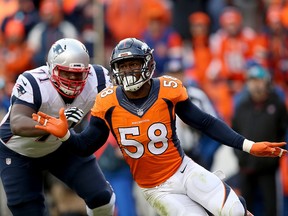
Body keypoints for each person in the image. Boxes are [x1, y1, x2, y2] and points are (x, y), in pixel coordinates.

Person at [33, 37, 287, 216]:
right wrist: (66, 135)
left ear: (147, 64)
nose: (129, 71)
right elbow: (87, 145)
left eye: (133, 63)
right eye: (123, 66)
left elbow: (206, 122)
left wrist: (249, 146)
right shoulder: (106, 102)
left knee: (233, 210)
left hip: (184, 170)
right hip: (156, 188)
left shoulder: (168, 89)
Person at [0, 38, 115, 216]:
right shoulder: (34, 81)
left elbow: (107, 119)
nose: (73, 80)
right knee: (29, 210)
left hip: (60, 144)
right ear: (51, 69)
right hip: (18, 152)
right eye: (66, 73)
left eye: (79, 74)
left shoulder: (98, 79)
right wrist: (53, 125)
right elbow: (17, 123)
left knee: (102, 197)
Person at [232, 64, 287, 216]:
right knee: (245, 208)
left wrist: (275, 158)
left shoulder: (277, 104)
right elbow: (234, 132)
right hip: (246, 167)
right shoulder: (241, 106)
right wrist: (240, 156)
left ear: (266, 81)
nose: (256, 84)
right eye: (252, 80)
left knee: (272, 208)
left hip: (268, 168)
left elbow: (283, 131)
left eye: (259, 80)